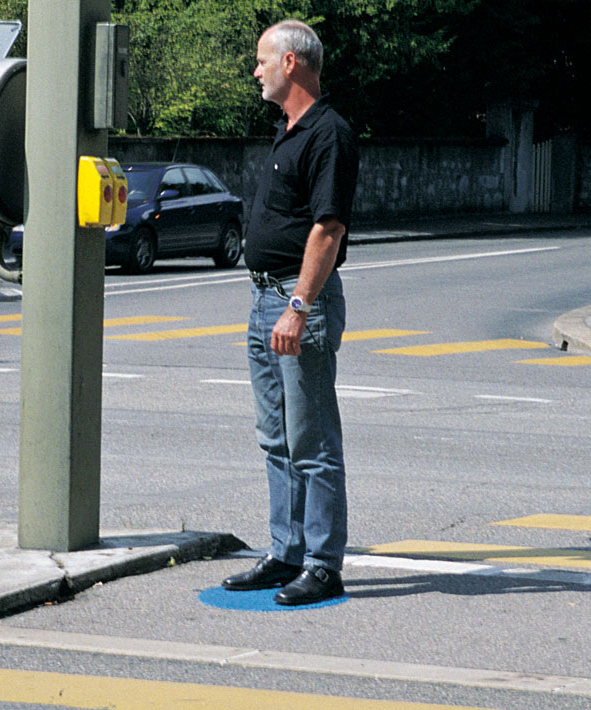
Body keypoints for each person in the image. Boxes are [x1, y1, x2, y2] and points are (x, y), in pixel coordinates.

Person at [222, 19, 359, 605]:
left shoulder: (330, 134)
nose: (254, 70)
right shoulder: (288, 131)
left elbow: (327, 229)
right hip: (263, 301)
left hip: (297, 304)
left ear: (291, 64)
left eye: (261, 60)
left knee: (312, 442)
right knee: (274, 439)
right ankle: (286, 553)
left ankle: (323, 562)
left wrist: (298, 308)